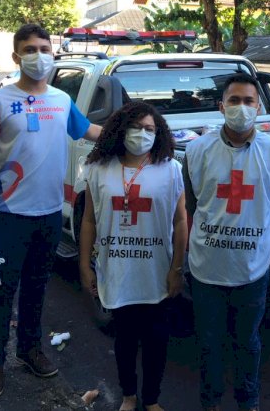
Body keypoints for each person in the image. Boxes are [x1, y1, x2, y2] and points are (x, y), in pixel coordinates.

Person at [0, 23, 102, 398]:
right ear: (15, 56)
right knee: (1, 291)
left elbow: (89, 132)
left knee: (37, 290)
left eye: (44, 48)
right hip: (6, 216)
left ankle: (29, 349)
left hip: (50, 215)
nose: (38, 55)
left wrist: (140, 129)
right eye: (30, 49)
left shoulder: (61, 100)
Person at [183, 73, 270, 411]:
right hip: (206, 268)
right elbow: (190, 204)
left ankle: (248, 401)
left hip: (252, 268)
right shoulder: (196, 151)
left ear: (259, 108)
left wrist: (267, 228)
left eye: (248, 101)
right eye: (234, 101)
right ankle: (211, 401)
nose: (241, 108)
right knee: (209, 343)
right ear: (221, 107)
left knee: (248, 342)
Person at [79, 101, 188, 411]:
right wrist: (84, 264)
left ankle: (151, 400)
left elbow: (180, 221)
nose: (142, 134)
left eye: (149, 129)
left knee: (156, 340)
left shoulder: (170, 169)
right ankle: (129, 396)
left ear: (159, 134)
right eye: (136, 127)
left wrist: (177, 269)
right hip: (117, 270)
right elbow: (88, 219)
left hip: (156, 272)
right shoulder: (99, 168)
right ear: (120, 129)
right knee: (124, 339)